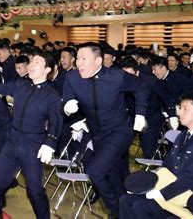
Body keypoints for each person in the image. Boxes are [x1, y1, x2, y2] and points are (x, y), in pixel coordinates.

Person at [62, 42, 149, 217]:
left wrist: (140, 114)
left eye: (83, 59)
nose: (78, 63)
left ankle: (118, 212)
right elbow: (67, 97)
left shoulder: (116, 76)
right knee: (113, 174)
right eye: (78, 58)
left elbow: (141, 87)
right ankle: (126, 206)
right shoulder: (72, 78)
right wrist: (67, 105)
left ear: (98, 61)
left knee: (95, 171)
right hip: (97, 134)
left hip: (119, 131)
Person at [0, 51, 62, 219]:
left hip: (33, 144)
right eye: (31, 61)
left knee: (34, 191)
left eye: (36, 63)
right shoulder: (21, 85)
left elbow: (56, 122)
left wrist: (50, 143)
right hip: (12, 141)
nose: (31, 65)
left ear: (47, 69)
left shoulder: (52, 96)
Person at [119, 91, 193, 218]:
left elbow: (190, 179)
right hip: (171, 187)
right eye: (179, 108)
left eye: (185, 109)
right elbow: (167, 165)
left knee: (141, 206)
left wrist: (162, 194)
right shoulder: (183, 135)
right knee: (125, 200)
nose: (179, 113)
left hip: (189, 197)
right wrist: (144, 186)